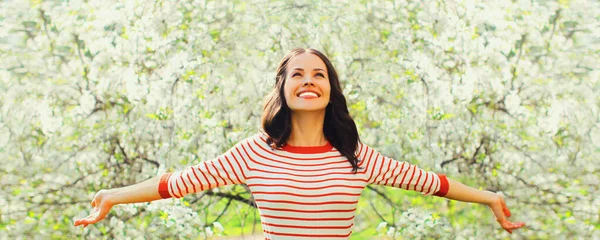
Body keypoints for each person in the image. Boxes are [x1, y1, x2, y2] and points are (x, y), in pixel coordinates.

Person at [74, 48, 526, 238]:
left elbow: (431, 183)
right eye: (298, 74)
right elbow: (178, 182)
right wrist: (112, 197)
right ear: (284, 88)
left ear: (331, 89)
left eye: (319, 74)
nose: (309, 81)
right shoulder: (255, 153)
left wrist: (490, 197)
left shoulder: (355, 158)